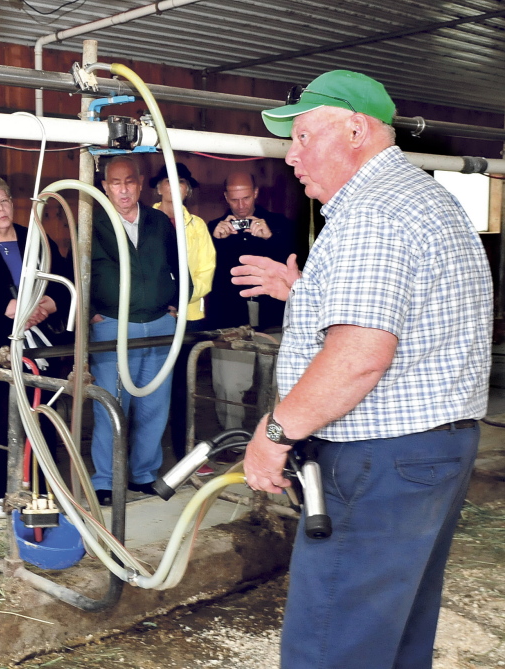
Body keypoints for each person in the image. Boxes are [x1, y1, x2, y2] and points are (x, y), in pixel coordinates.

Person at [234, 69, 492, 668]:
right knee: (392, 632)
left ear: (355, 130)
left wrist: (275, 435)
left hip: (378, 458)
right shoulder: (423, 196)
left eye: (302, 137)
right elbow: (411, 316)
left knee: (332, 642)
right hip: (430, 452)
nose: (291, 156)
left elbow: (358, 357)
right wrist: (306, 292)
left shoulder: (370, 213)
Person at [0, 175, 71, 518]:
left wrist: (47, 306)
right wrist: (9, 312)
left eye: (3, 202)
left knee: (42, 418)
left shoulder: (37, 238)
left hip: (40, 345)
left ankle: (43, 494)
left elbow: (64, 281)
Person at [89, 155, 185, 506]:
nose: (123, 189)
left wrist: (176, 301)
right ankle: (105, 479)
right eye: (115, 183)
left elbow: (178, 263)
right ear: (104, 187)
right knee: (111, 405)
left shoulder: (159, 221)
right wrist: (93, 313)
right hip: (114, 324)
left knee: (154, 404)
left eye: (129, 181)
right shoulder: (93, 222)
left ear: (141, 183)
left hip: (159, 321)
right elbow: (78, 271)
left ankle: (144, 473)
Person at [206, 172, 295, 430]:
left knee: (279, 380)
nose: (241, 206)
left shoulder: (281, 225)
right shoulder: (213, 228)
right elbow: (204, 273)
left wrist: (271, 239)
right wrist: (215, 241)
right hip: (230, 313)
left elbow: (296, 264)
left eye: (246, 198)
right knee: (228, 382)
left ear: (256, 192)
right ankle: (232, 438)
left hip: (273, 313)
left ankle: (275, 439)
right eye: (234, 200)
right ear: (226, 197)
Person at [151, 163, 216, 466]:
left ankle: (183, 454)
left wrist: (181, 298)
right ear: (158, 187)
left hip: (187, 316)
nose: (175, 188)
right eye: (169, 181)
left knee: (182, 388)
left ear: (188, 190)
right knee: (147, 387)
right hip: (150, 316)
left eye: (182, 183)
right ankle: (142, 462)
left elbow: (206, 271)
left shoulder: (197, 225)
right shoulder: (144, 219)